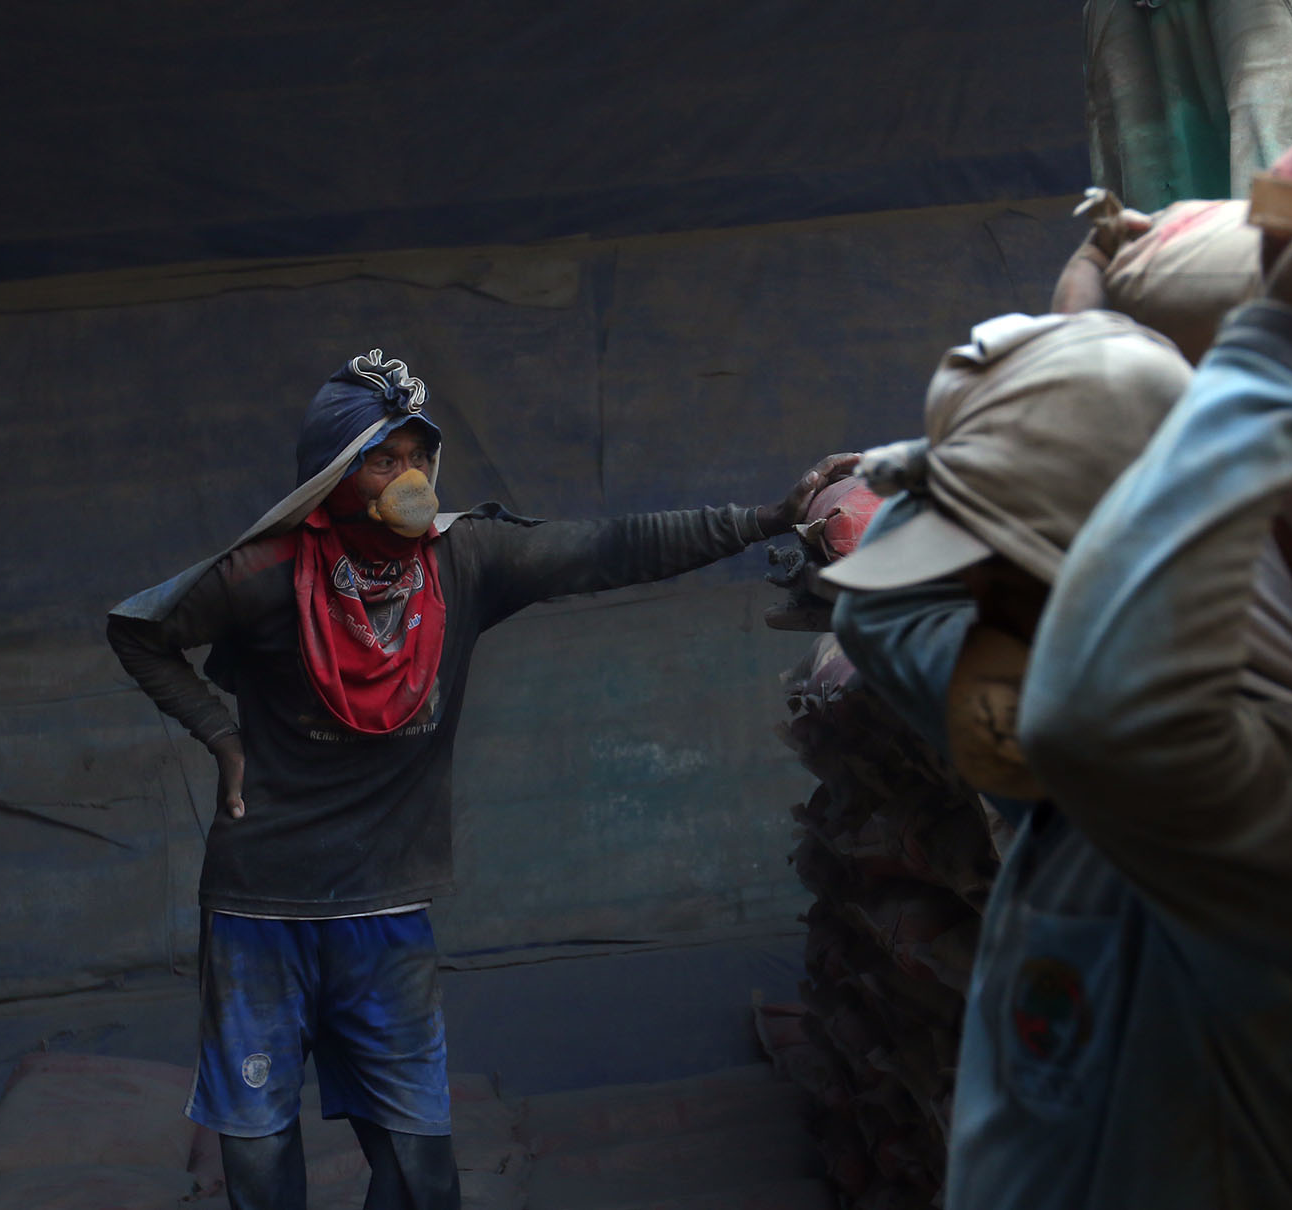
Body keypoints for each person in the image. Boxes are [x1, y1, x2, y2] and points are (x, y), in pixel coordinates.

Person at [824, 125, 1292, 1209]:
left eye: (1003, 565)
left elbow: (942, 632)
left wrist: (1222, 370)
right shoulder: (1058, 736)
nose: (992, 604)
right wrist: (1047, 371)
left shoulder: (1237, 782)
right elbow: (882, 613)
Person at [107, 350, 853, 1210]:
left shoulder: (467, 559)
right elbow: (139, 631)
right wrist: (219, 734)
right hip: (260, 910)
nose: (409, 478)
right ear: (332, 477)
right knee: (260, 1154)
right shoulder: (264, 575)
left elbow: (618, 547)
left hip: (384, 911)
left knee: (419, 1168)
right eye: (382, 460)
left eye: (417, 456)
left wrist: (768, 517)